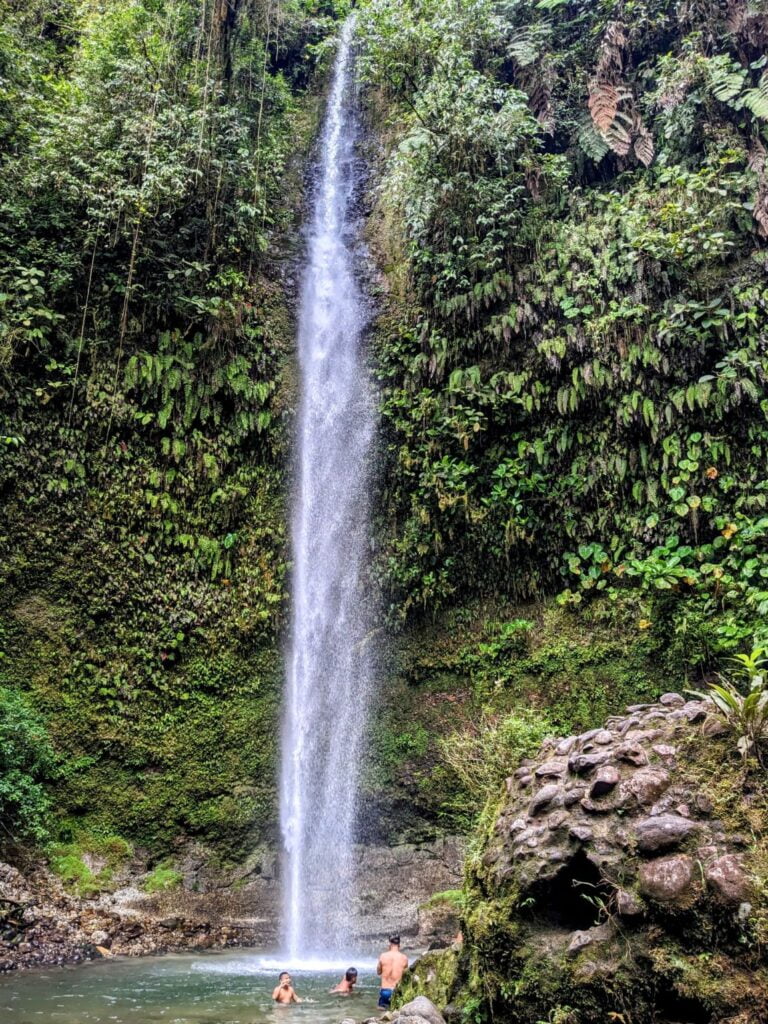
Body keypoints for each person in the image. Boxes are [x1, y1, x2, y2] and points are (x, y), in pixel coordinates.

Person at [376, 934, 408, 1009]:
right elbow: (405, 976)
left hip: (385, 991)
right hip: (397, 991)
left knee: (382, 1014)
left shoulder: (383, 956)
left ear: (390, 944)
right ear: (399, 945)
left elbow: (378, 972)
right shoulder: (404, 958)